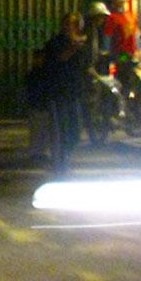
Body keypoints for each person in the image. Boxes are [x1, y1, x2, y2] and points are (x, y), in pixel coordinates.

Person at [40, 11, 92, 174]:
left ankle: (65, 156)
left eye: (75, 24)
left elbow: (85, 65)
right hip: (59, 91)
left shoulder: (81, 45)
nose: (72, 27)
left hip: (75, 91)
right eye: (69, 23)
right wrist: (72, 48)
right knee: (61, 129)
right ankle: (60, 163)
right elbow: (57, 60)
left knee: (75, 129)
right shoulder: (56, 43)